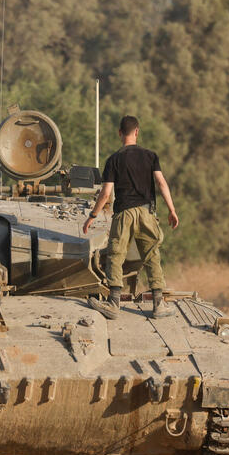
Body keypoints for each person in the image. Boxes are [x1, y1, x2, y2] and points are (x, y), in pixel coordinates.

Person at [83, 115, 179, 319]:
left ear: (120, 133)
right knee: (152, 255)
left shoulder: (113, 160)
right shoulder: (150, 156)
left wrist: (93, 215)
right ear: (137, 132)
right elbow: (161, 183)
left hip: (124, 213)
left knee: (116, 255)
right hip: (146, 212)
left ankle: (114, 304)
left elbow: (106, 193)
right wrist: (171, 209)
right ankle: (158, 304)